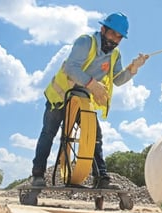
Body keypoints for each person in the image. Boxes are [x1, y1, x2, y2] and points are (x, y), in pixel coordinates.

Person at [32, 12, 148, 189]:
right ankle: (38, 176)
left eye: (119, 37)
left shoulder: (114, 55)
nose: (115, 40)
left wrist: (133, 69)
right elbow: (71, 68)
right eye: (112, 34)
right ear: (103, 29)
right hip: (61, 95)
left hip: (82, 100)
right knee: (49, 133)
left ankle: (101, 177)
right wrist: (92, 84)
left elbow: (117, 79)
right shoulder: (86, 42)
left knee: (93, 135)